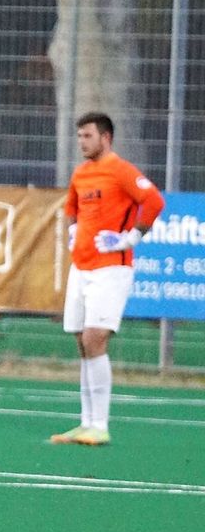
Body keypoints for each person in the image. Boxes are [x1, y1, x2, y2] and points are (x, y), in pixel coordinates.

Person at [50, 112, 164, 446]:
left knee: (96, 337)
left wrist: (131, 238)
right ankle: (86, 423)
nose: (82, 142)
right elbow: (71, 207)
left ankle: (100, 424)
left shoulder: (121, 170)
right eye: (80, 136)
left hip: (111, 268)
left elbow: (154, 201)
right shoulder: (81, 173)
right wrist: (72, 230)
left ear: (106, 138)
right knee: (81, 341)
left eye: (88, 136)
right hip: (81, 267)